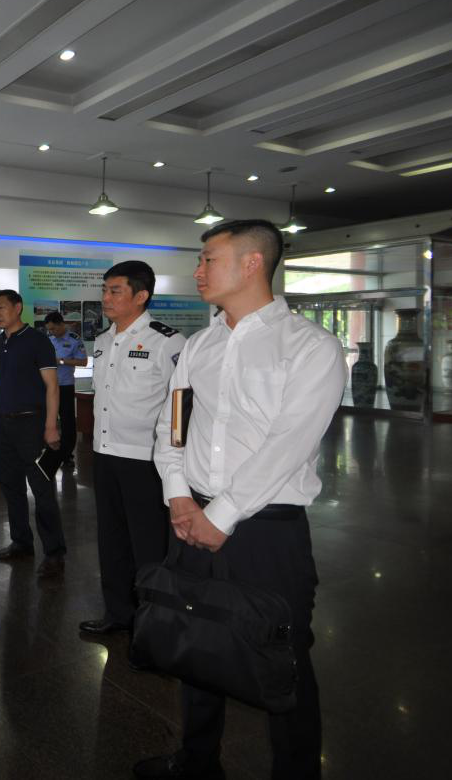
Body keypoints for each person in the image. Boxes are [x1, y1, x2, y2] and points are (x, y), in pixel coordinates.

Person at [135, 221, 345, 780]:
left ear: (252, 263)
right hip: (191, 516)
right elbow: (171, 429)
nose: (198, 271)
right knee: (194, 640)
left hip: (267, 528)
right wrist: (179, 498)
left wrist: (222, 515)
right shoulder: (199, 346)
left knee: (283, 656)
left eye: (209, 259)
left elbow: (288, 445)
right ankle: (198, 760)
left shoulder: (310, 346)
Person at [79, 261, 186, 637]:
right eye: (104, 290)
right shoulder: (103, 340)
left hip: (146, 460)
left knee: (148, 545)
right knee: (111, 539)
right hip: (105, 454)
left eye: (115, 291)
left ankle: (154, 625)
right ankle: (118, 612)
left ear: (141, 296)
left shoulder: (167, 341)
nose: (105, 298)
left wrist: (178, 460)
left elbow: (182, 407)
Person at [0, 290, 66, 577]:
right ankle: (21, 542)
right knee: (11, 487)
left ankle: (54, 553)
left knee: (42, 489)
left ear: (18, 307)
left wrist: (51, 425)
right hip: (3, 425)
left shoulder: (37, 340)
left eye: (2, 307)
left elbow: (52, 386)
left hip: (32, 424)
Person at [44, 311, 87, 469]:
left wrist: (61, 361)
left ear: (62, 324)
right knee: (48, 420)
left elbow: (83, 362)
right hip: (48, 386)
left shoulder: (74, 340)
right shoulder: (48, 339)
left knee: (67, 422)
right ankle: (49, 452)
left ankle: (67, 455)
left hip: (65, 386)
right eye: (49, 329)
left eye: (53, 328)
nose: (51, 332)